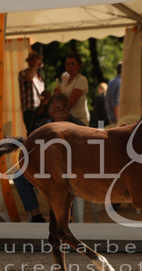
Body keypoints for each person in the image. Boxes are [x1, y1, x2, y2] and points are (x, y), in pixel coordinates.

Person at [14, 94, 84, 222]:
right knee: (19, 177)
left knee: (64, 180)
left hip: (68, 169)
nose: (61, 112)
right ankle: (36, 216)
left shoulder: (79, 126)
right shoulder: (42, 125)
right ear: (50, 112)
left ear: (68, 109)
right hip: (44, 167)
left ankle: (64, 218)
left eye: (64, 108)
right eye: (57, 109)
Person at [54, 52, 90, 126]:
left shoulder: (81, 79)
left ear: (79, 65)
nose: (70, 67)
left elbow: (70, 103)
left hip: (78, 120)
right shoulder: (64, 81)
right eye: (68, 64)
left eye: (73, 64)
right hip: (66, 119)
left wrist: (58, 96)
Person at [18, 50, 46, 134]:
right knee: (31, 132)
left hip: (39, 109)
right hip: (29, 109)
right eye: (34, 59)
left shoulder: (38, 76)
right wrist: (35, 66)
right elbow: (28, 78)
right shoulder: (23, 73)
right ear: (29, 61)